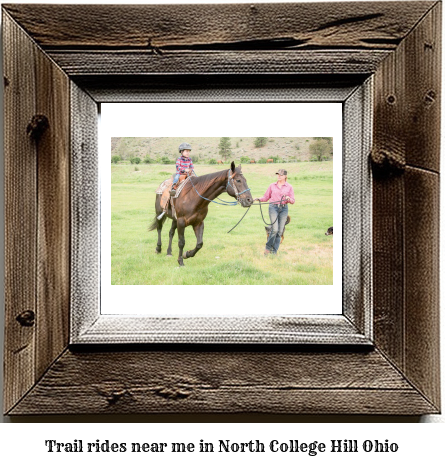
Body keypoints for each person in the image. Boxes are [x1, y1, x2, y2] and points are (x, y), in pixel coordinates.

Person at [253, 169, 295, 255]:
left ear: (285, 176)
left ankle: (274, 252)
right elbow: (266, 197)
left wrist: (288, 199)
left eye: (281, 175)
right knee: (274, 229)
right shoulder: (272, 185)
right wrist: (258, 199)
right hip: (273, 208)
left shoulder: (289, 187)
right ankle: (267, 248)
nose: (279, 176)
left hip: (284, 209)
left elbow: (293, 200)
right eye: (278, 174)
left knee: (279, 232)